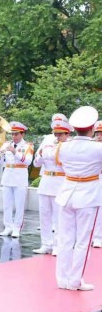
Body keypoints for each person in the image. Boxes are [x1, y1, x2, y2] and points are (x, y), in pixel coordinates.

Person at [55, 106, 102, 291]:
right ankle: (75, 281)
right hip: (88, 196)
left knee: (65, 239)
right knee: (83, 241)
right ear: (92, 128)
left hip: (67, 194)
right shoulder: (98, 148)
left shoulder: (63, 147)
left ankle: (62, 279)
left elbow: (60, 165)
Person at [34, 116, 71, 255]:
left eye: (60, 134)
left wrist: (48, 153)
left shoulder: (69, 146)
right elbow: (37, 163)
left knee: (58, 218)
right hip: (46, 182)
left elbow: (62, 160)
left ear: (67, 134)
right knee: (44, 215)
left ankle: (57, 245)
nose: (57, 136)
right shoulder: (48, 143)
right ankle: (46, 243)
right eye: (56, 134)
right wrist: (43, 155)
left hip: (60, 183)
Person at [0, 122, 34, 237]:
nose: (13, 136)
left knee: (19, 204)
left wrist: (15, 152)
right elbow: (0, 161)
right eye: (12, 134)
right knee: (7, 204)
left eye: (16, 134)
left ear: (22, 134)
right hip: (8, 175)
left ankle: (17, 228)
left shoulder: (28, 146)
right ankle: (7, 226)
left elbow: (28, 161)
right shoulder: (6, 144)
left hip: (20, 176)